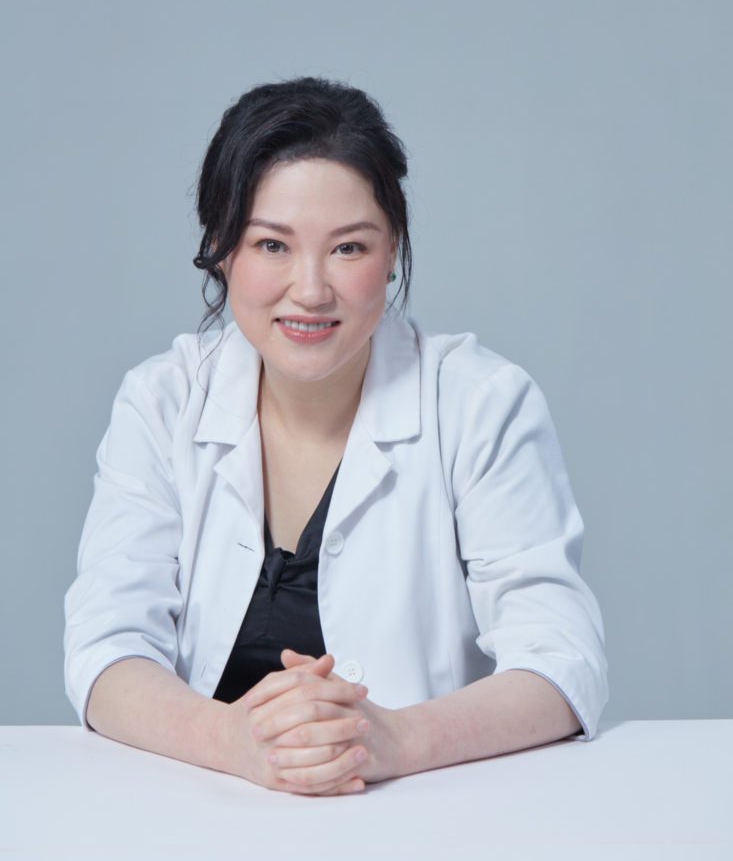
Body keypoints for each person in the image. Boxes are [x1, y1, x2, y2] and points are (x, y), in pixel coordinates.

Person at [63, 76, 609, 797]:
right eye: (271, 244)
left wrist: (394, 739)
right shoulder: (161, 402)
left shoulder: (480, 403)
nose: (311, 289)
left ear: (393, 252)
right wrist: (233, 741)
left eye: (349, 248)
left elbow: (563, 662)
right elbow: (105, 651)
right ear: (222, 250)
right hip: (198, 812)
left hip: (426, 817)